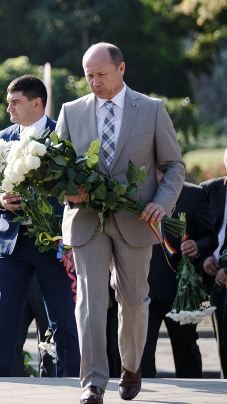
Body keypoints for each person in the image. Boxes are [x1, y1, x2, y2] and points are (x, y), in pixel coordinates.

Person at [56, 43, 184, 404]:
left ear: (121, 68)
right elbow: (57, 169)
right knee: (90, 303)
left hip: (136, 220)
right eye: (89, 76)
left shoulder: (153, 110)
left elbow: (175, 166)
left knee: (133, 302)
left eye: (101, 74)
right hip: (86, 221)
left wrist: (161, 204)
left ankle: (130, 365)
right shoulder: (71, 111)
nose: (94, 82)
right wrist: (70, 193)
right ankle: (93, 382)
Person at [0, 75, 80, 378]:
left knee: (63, 319)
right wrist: (0, 200)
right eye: (8, 102)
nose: (9, 109)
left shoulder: (62, 136)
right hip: (12, 244)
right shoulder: (2, 137)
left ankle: (71, 381)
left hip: (52, 242)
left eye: (16, 102)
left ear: (36, 103)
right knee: (4, 320)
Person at [141, 175, 217, 378]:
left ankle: (195, 395)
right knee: (141, 356)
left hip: (180, 290)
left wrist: (198, 246)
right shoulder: (137, 192)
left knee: (187, 353)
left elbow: (209, 237)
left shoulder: (193, 193)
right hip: (142, 288)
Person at [200, 150, 227, 378]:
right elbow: (199, 231)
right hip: (213, 272)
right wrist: (205, 256)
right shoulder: (209, 189)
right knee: (223, 338)